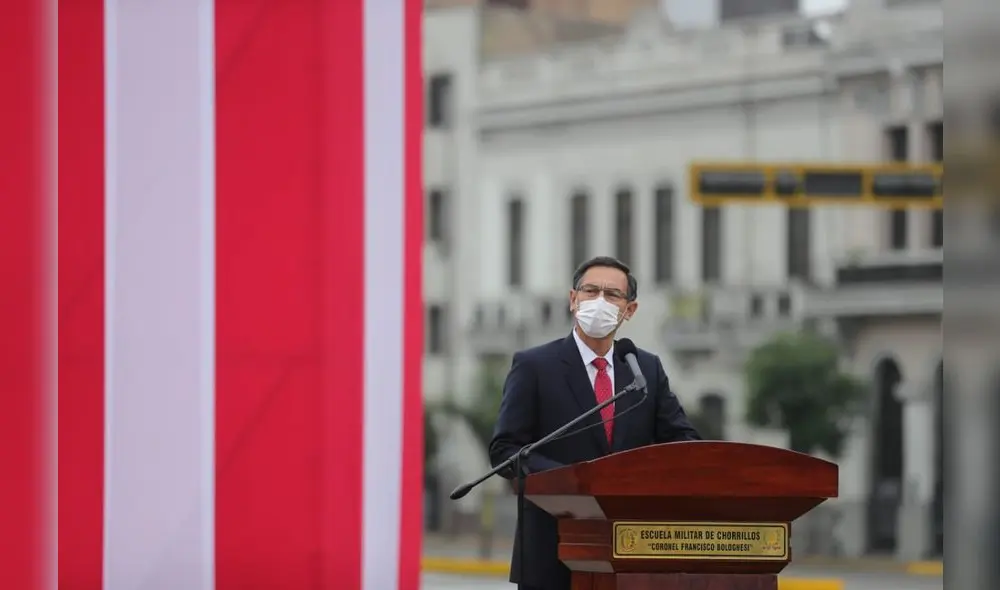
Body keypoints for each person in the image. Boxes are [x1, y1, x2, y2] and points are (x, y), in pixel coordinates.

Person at [488, 256, 702, 590]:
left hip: (631, 550)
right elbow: (505, 449)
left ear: (629, 310)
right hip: (552, 548)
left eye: (612, 295)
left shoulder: (644, 369)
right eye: (590, 291)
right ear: (573, 300)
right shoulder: (534, 365)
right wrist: (573, 481)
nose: (599, 301)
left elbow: (683, 442)